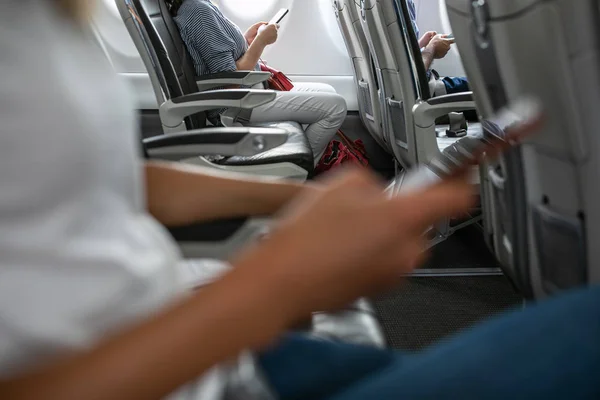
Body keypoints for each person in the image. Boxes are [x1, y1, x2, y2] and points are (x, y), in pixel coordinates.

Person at [1, 1, 600, 400]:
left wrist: (289, 204)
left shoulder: (43, 21)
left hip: (199, 356)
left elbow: (105, 180)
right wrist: (283, 281)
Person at [168, 0, 347, 166]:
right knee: (335, 107)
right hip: (236, 103)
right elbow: (231, 80)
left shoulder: (197, 5)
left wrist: (246, 41)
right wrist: (261, 42)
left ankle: (291, 169)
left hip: (249, 91)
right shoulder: (197, 11)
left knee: (328, 91)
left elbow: (221, 58)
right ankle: (301, 174)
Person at [406, 0, 470, 96]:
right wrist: (432, 48)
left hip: (421, 83)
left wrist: (420, 46)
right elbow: (413, 77)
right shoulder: (400, 5)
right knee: (483, 88)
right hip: (426, 90)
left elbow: (402, 58)